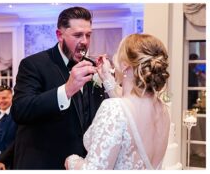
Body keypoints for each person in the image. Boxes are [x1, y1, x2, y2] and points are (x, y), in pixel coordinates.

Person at [10, 6, 106, 169]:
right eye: (77, 35)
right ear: (59, 35)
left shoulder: (93, 67)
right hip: (45, 164)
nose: (84, 41)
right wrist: (66, 90)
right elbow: (20, 110)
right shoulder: (33, 64)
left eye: (88, 35)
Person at [65, 34, 171, 169]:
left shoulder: (114, 109)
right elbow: (127, 116)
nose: (113, 58)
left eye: (116, 53)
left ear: (125, 65)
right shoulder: (163, 110)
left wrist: (72, 161)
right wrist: (107, 79)